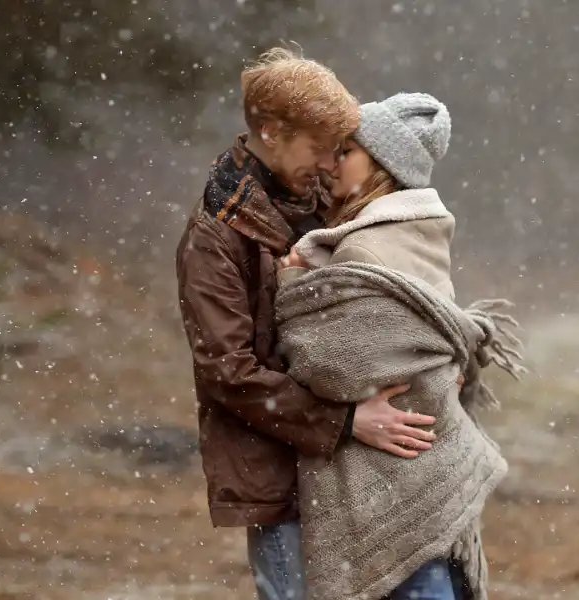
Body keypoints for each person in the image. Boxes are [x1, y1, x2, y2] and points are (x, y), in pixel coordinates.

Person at [175, 49, 439, 600]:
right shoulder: (214, 239)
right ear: (270, 132)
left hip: (355, 474)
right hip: (278, 475)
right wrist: (344, 421)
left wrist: (442, 354)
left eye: (338, 150)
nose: (328, 162)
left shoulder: (325, 198)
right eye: (319, 147)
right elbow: (227, 371)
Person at [275, 93, 524, 600]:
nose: (331, 164)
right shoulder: (421, 231)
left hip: (389, 471)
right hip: (422, 468)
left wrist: (294, 291)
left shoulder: (365, 245)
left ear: (381, 166)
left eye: (347, 152)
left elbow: (333, 367)